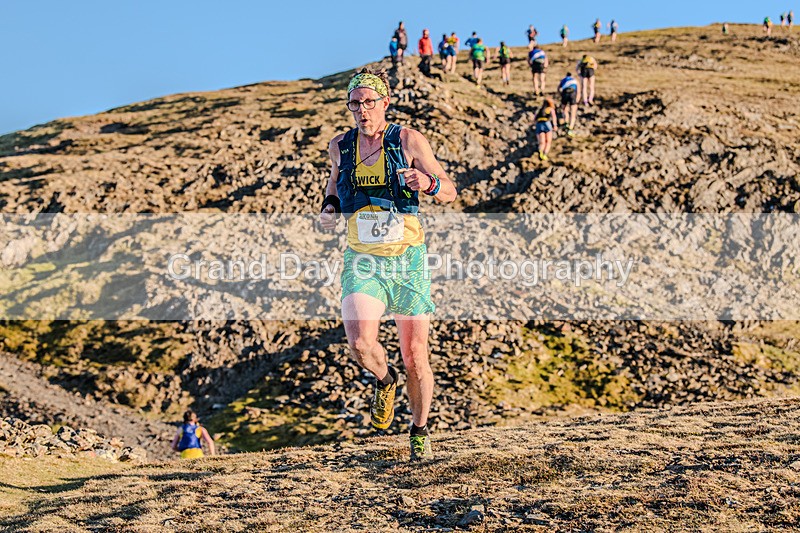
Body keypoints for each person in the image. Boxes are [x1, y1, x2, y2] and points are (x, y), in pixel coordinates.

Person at [318, 69, 457, 461]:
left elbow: (449, 190)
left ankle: (419, 430)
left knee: (415, 355)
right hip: (362, 260)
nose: (362, 110)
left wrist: (426, 183)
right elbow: (334, 185)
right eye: (354, 103)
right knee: (361, 343)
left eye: (369, 102)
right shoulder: (340, 147)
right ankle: (385, 379)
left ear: (385, 103)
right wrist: (330, 208)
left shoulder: (408, 140)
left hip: (408, 261)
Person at [558, 72, 579, 136]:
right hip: (573, 94)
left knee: (564, 109)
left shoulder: (563, 79)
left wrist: (560, 95)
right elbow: (578, 90)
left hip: (565, 93)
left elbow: (559, 88)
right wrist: (577, 98)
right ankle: (571, 127)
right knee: (573, 111)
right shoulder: (575, 80)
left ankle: (566, 121)